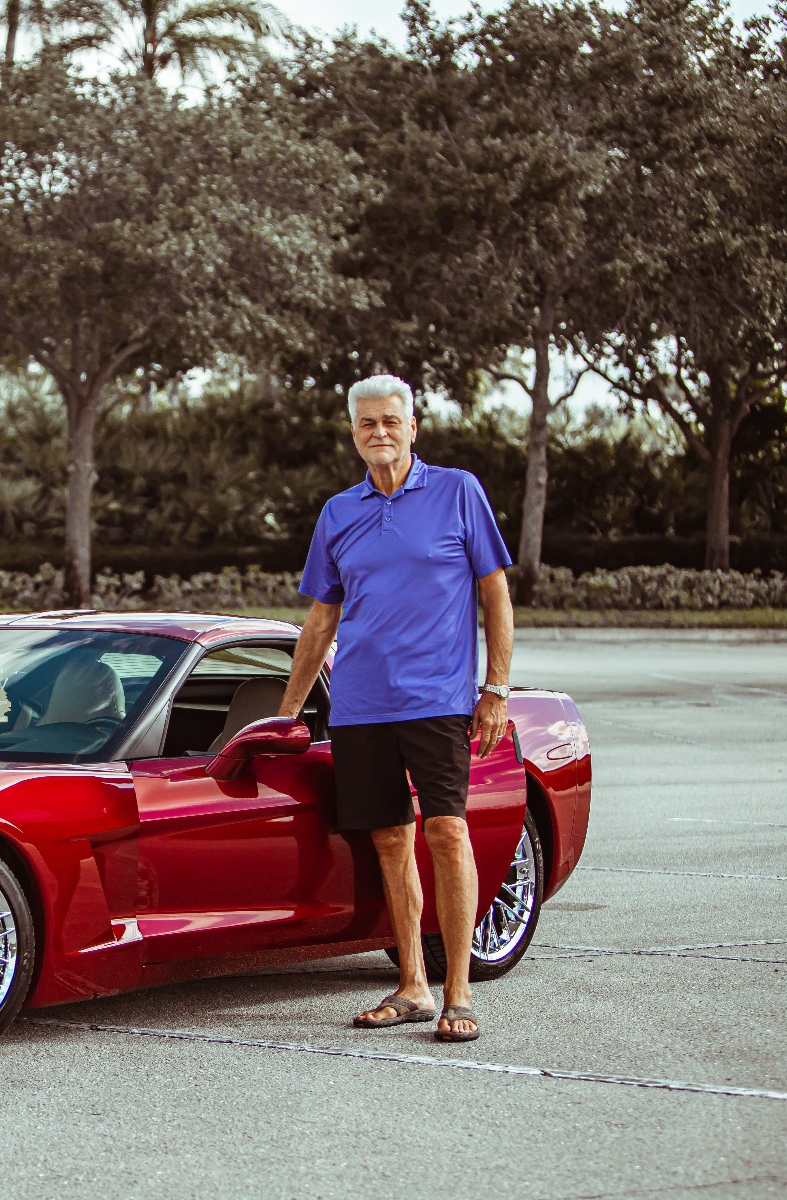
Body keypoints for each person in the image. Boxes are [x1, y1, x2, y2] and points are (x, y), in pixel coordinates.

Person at [278, 374, 514, 1042]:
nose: (378, 432)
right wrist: (289, 711)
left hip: (437, 699)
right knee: (389, 839)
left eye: (390, 421)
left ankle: (458, 990)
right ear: (353, 433)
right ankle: (412, 985)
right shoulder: (338, 512)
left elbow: (495, 594)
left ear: (412, 427)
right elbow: (321, 618)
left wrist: (495, 688)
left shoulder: (457, 491)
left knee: (447, 831)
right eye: (366, 424)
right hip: (360, 705)